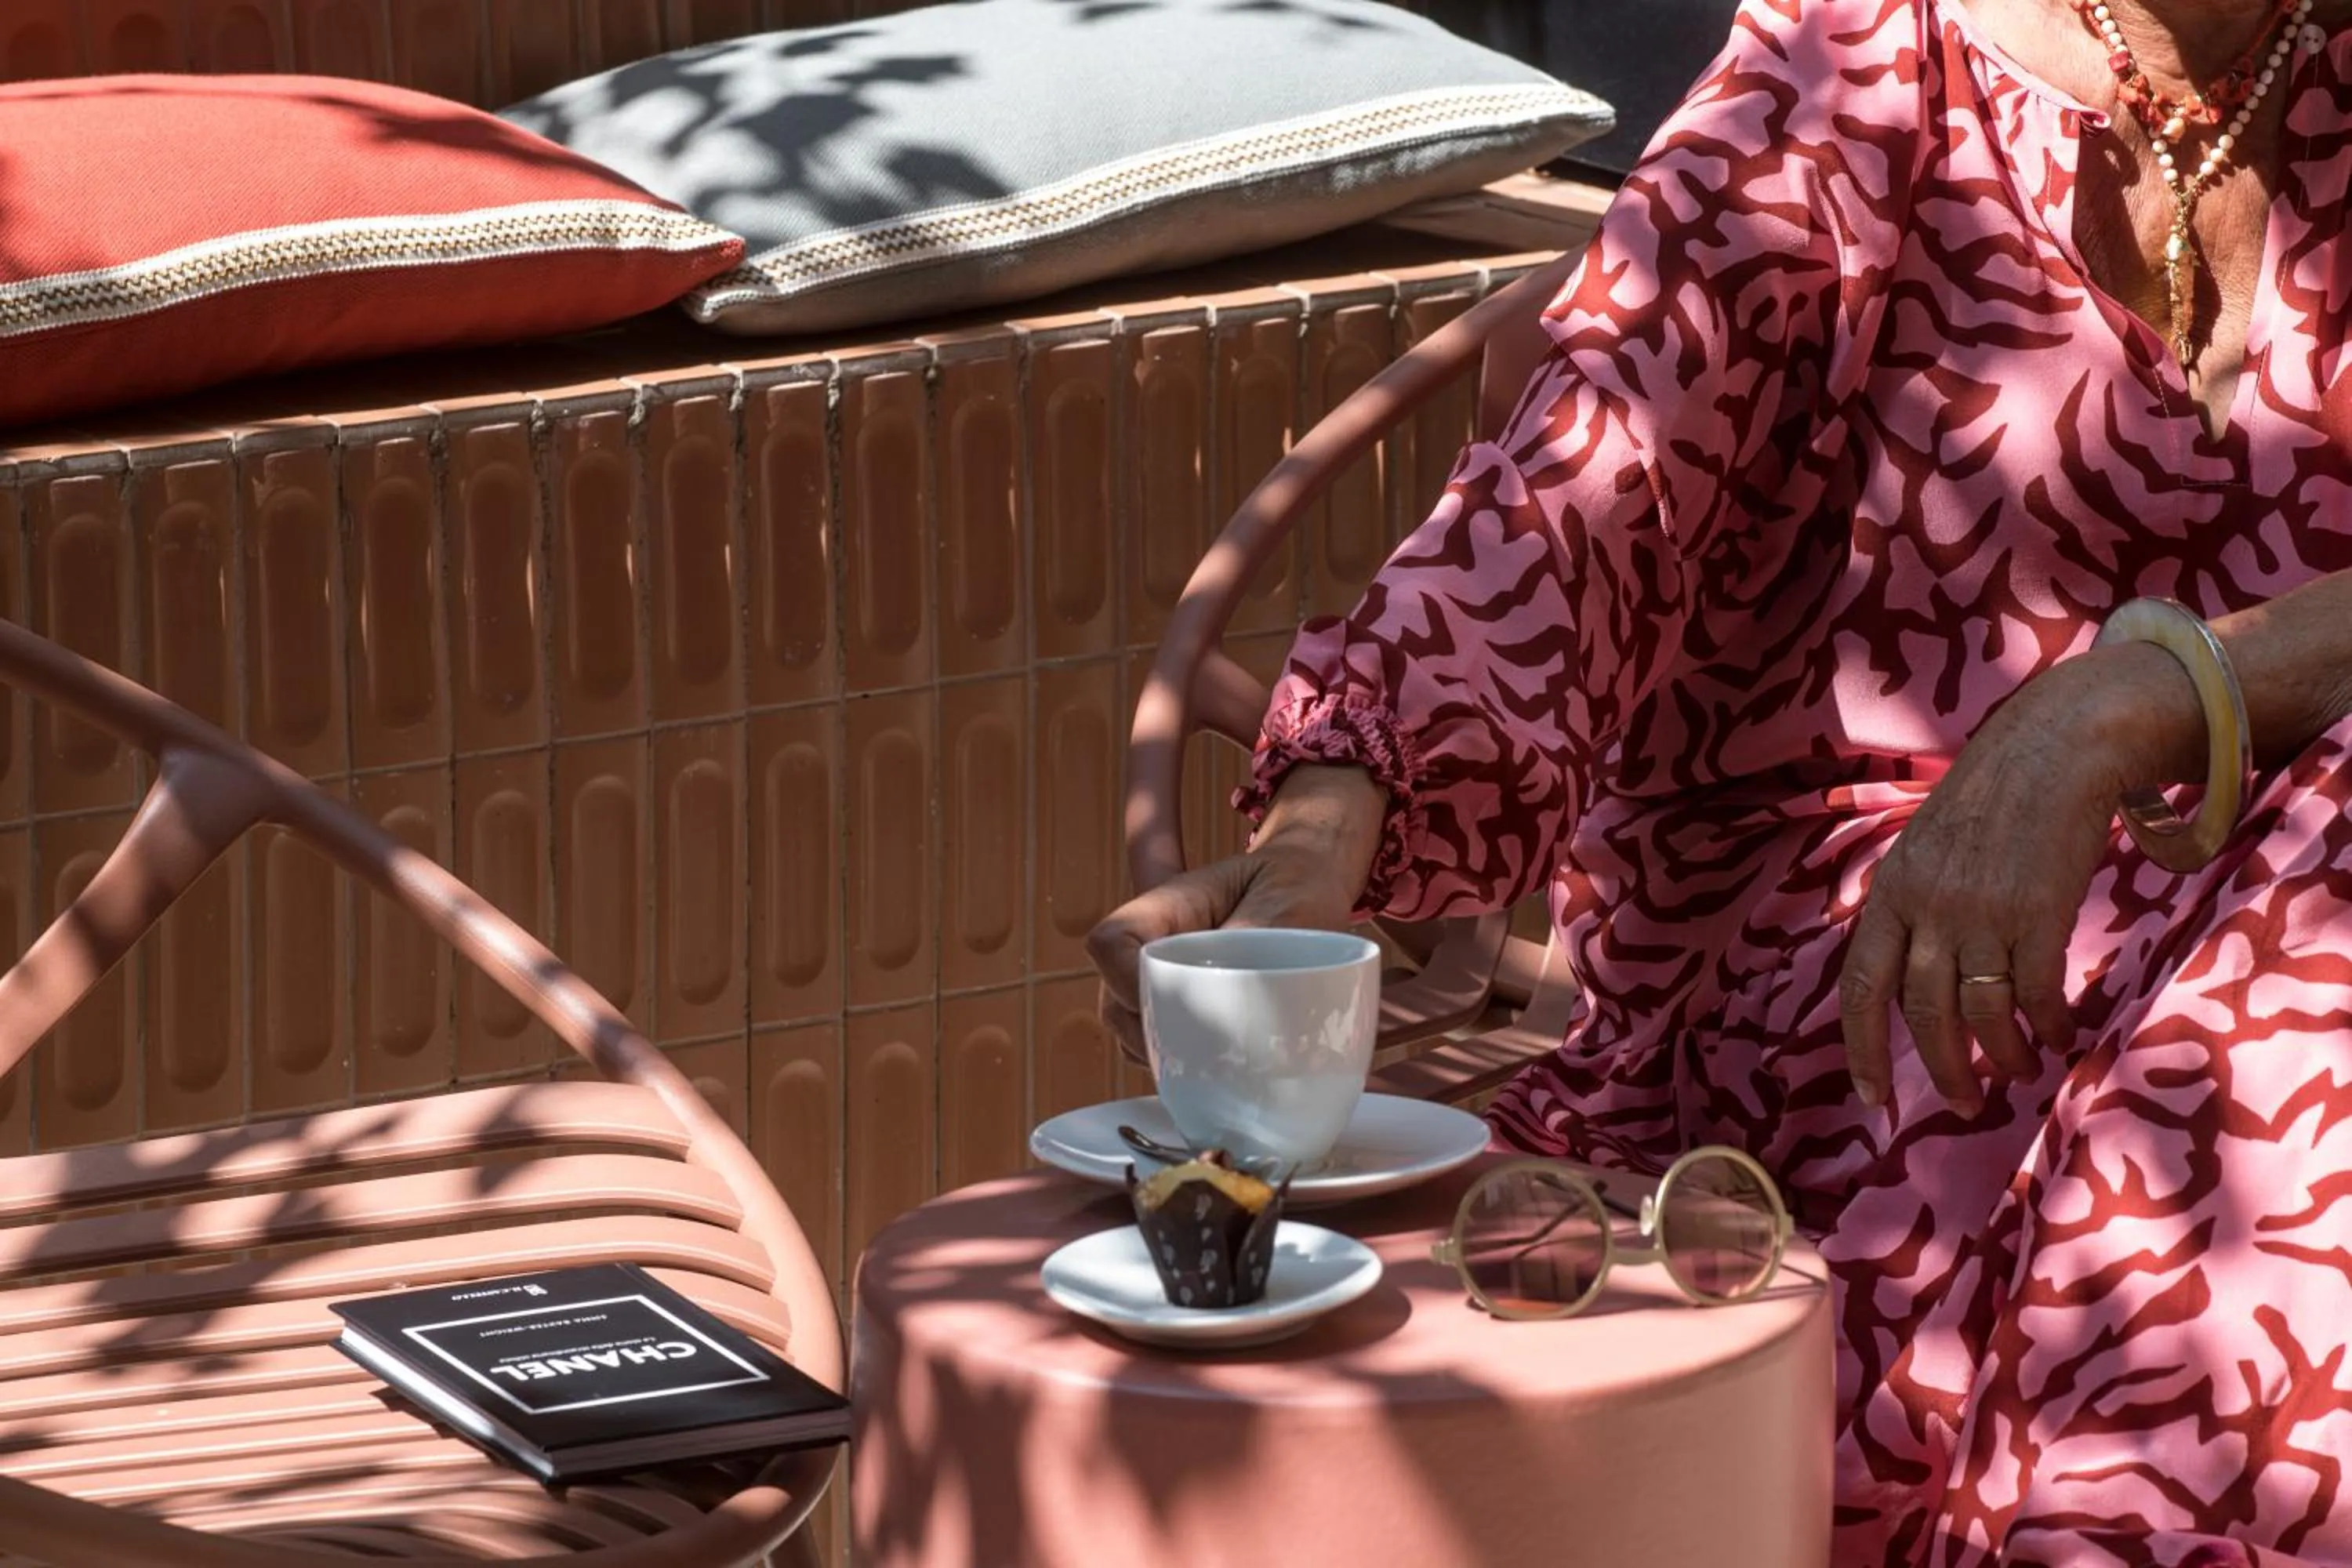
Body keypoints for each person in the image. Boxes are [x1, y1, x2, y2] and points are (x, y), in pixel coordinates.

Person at [1087, 0, 2352, 1561]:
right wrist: (1319, 847)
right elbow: (1589, 471)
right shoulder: (1869, 52)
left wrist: (2143, 693)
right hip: (1897, 953)